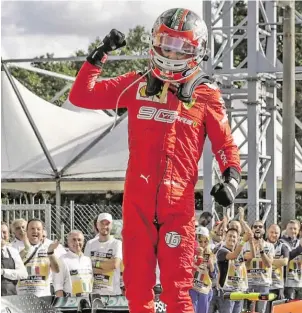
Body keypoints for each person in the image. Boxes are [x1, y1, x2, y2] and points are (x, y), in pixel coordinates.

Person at [69, 8, 241, 313]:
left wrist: (232, 177)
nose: (172, 53)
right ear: (154, 42)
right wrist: (99, 55)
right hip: (137, 203)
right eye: (166, 43)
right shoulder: (136, 83)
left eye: (181, 48)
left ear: (195, 51)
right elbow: (82, 95)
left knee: (177, 293)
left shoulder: (206, 94)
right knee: (136, 289)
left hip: (179, 208)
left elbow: (225, 143)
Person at [84, 213, 122, 296]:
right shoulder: (90, 244)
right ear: (97, 225)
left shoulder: (117, 243)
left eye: (107, 224)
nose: (104, 227)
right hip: (93, 292)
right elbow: (86, 268)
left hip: (112, 293)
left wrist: (95, 264)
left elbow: (114, 265)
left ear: (111, 226)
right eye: (102, 223)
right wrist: (106, 266)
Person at [53, 230, 93, 297]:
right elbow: (58, 287)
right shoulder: (62, 260)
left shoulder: (87, 260)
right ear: (68, 242)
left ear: (83, 242)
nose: (77, 242)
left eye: (79, 240)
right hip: (71, 302)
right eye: (73, 240)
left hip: (87, 301)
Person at [1, 222, 28, 296]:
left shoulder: (13, 251)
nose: (2, 235)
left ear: (9, 235)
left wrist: (4, 272)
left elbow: (23, 274)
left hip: (10, 297)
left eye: (4, 232)